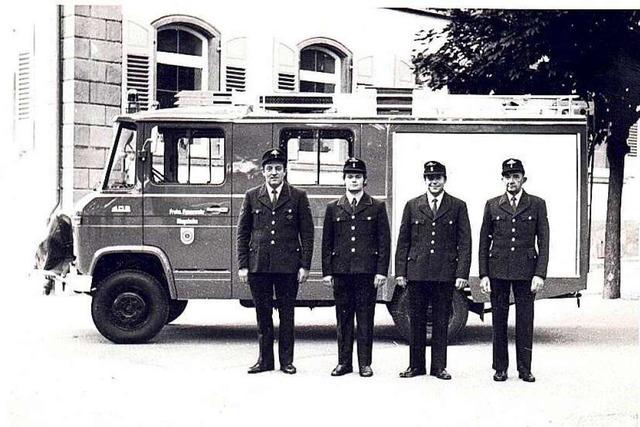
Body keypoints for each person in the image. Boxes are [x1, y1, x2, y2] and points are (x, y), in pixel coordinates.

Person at [237, 148, 314, 375]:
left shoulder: (298, 196)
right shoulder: (251, 196)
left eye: (278, 169)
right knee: (263, 315)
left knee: (287, 315)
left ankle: (286, 361)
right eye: (269, 169)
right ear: (263, 172)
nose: (273, 173)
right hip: (259, 265)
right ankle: (264, 361)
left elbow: (307, 233)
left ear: (285, 171)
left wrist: (305, 265)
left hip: (288, 267)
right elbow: (243, 233)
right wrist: (243, 265)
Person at [394, 161, 472, 380]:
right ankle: (415, 366)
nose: (434, 181)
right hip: (417, 272)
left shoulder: (457, 205)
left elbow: (464, 242)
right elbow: (404, 240)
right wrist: (401, 271)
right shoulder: (412, 205)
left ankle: (439, 367)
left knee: (440, 321)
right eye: (430, 178)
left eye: (438, 177)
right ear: (425, 180)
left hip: (444, 273)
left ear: (444, 180)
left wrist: (461, 274)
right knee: (416, 321)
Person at [479, 158, 549, 383]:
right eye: (508, 177)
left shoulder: (537, 204)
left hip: (526, 272)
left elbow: (544, 241)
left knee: (525, 321)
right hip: (498, 271)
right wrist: (484, 274)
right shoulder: (492, 205)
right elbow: (483, 242)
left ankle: (525, 369)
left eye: (516, 177)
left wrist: (540, 274)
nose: (511, 181)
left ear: (523, 179)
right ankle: (500, 368)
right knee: (499, 321)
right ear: (503, 179)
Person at [321, 158, 391, 377]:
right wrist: (327, 271)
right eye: (350, 177)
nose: (354, 180)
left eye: (358, 177)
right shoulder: (334, 207)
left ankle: (364, 363)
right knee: (343, 319)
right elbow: (327, 242)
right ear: (344, 180)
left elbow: (384, 242)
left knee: (365, 318)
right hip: (341, 272)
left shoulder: (377, 206)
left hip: (366, 272)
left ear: (365, 180)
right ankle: (344, 362)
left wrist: (381, 271)